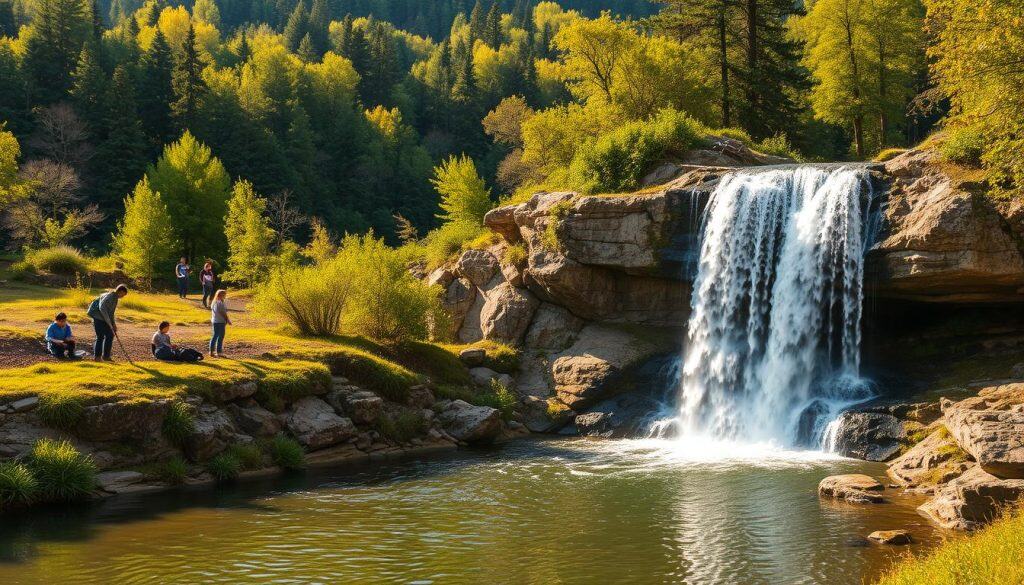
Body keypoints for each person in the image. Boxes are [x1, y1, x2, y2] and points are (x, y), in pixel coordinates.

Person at [87, 284, 128, 362]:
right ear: (120, 291)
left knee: (110, 335)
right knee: (100, 337)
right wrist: (109, 322)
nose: (123, 296)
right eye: (123, 294)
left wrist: (113, 324)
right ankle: (97, 357)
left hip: (104, 319)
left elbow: (111, 313)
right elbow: (102, 307)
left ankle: (106, 356)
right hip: (98, 318)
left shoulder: (115, 298)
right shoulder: (110, 296)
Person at [209, 289, 231, 357]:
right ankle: (218, 352)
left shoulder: (215, 302)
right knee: (220, 336)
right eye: (224, 295)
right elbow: (223, 313)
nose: (225, 296)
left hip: (216, 321)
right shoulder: (219, 303)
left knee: (215, 336)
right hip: (220, 322)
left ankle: (212, 351)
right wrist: (227, 320)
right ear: (220, 295)